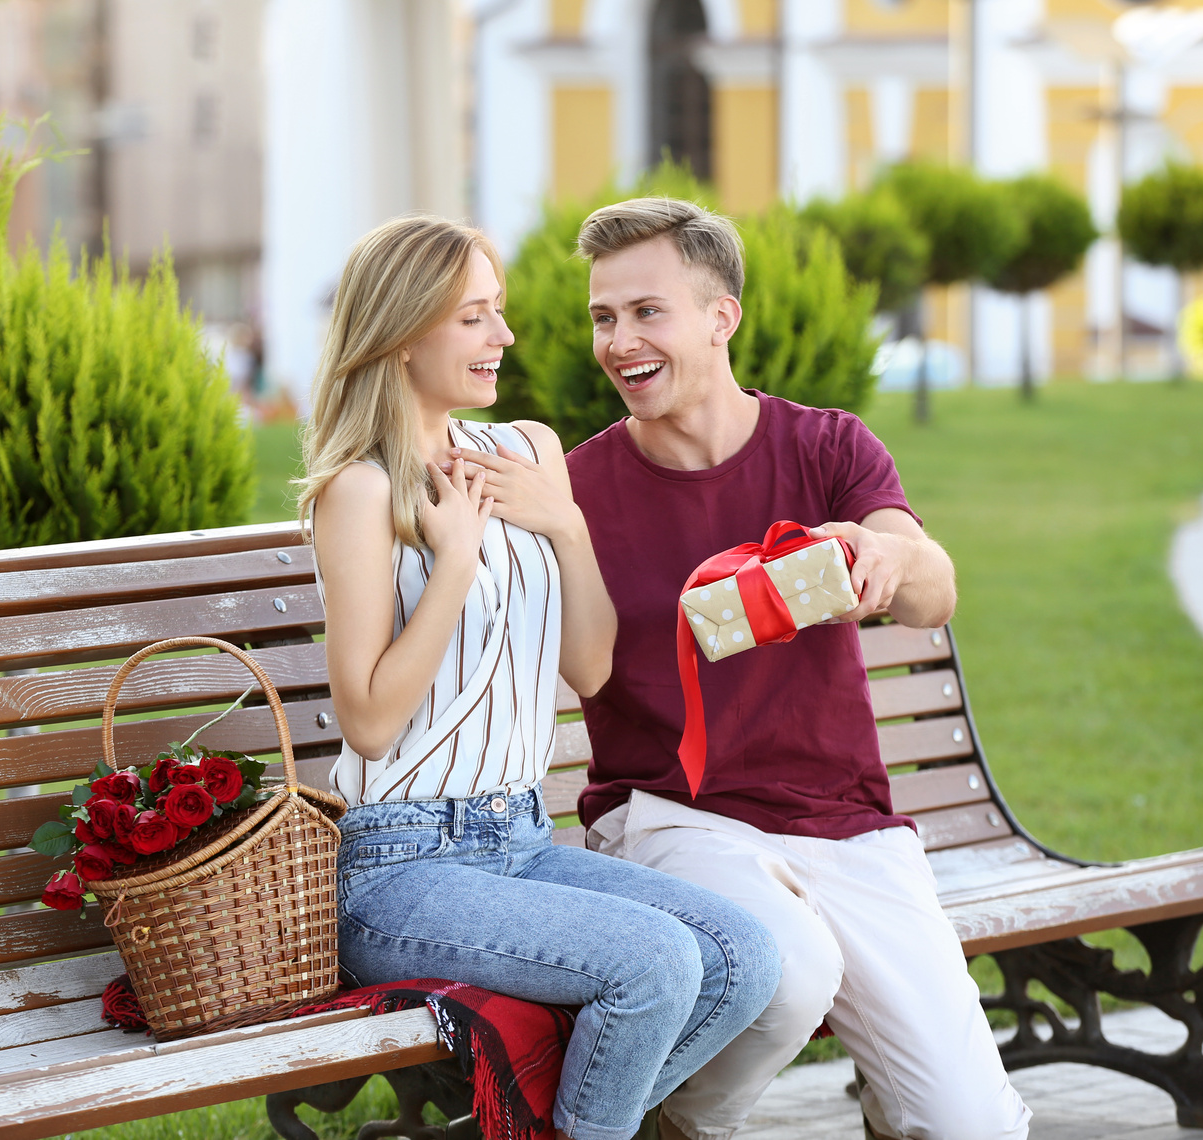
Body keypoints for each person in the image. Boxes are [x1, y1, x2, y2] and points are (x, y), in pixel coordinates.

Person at [455, 198, 1030, 1140]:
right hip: (674, 819)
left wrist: (885, 559)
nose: (618, 341)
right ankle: (682, 1123)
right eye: (604, 316)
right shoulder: (580, 490)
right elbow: (582, 673)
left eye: (648, 312)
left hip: (845, 823)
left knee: (970, 1124)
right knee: (787, 967)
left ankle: (896, 1099)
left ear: (721, 317)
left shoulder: (826, 447)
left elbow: (934, 590)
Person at [300, 214, 781, 1140]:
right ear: (403, 335)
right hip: (401, 868)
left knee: (743, 958)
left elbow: (590, 664)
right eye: (475, 317)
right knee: (654, 967)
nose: (504, 337)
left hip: (519, 835)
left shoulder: (525, 450)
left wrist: (564, 525)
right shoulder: (359, 491)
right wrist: (452, 561)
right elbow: (366, 720)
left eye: (500, 311)